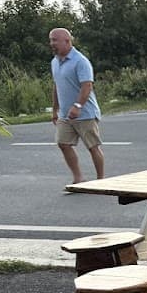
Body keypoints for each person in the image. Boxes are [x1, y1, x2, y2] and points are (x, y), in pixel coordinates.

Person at [49, 27, 104, 187]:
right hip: (65, 114)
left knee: (93, 146)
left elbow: (87, 86)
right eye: (51, 40)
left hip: (85, 113)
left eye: (55, 40)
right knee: (63, 143)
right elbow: (56, 86)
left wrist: (78, 105)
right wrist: (55, 109)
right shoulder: (55, 61)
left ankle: (102, 180)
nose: (52, 44)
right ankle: (78, 178)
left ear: (67, 41)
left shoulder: (80, 61)